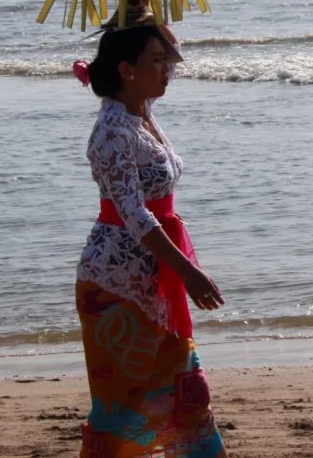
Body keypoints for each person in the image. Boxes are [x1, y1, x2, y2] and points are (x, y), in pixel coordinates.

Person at [73, 25, 225, 456]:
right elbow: (134, 215)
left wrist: (141, 0)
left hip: (154, 275)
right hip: (114, 285)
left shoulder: (141, 111)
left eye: (166, 60)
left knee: (188, 396)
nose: (167, 70)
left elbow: (170, 46)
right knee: (121, 410)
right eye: (155, 62)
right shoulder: (112, 132)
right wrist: (189, 271)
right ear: (126, 70)